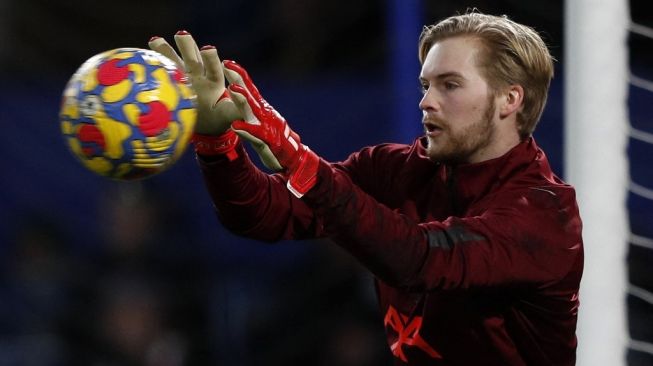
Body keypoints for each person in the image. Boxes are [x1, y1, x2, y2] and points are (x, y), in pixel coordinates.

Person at [149, 10, 583, 366]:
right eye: (425, 85)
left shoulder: (544, 215)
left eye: (449, 85)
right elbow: (263, 215)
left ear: (510, 99)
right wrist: (216, 145)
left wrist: (299, 159)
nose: (427, 101)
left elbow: (421, 260)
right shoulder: (395, 169)